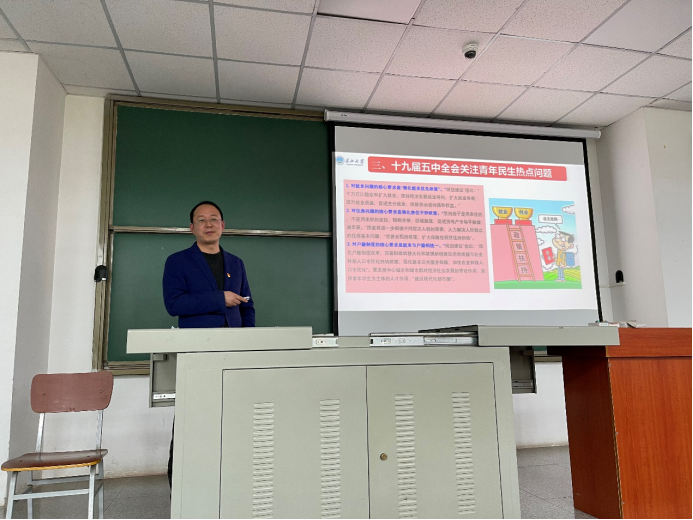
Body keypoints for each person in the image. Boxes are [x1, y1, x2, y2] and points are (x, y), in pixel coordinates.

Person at [162, 201, 255, 488]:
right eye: (201, 220)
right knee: (192, 421)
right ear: (192, 228)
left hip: (234, 353)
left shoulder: (236, 263)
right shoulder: (178, 261)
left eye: (214, 219)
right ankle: (181, 488)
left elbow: (247, 306)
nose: (209, 224)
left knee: (233, 420)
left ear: (223, 225)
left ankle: (229, 484)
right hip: (198, 352)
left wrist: (249, 342)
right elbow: (174, 304)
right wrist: (219, 298)